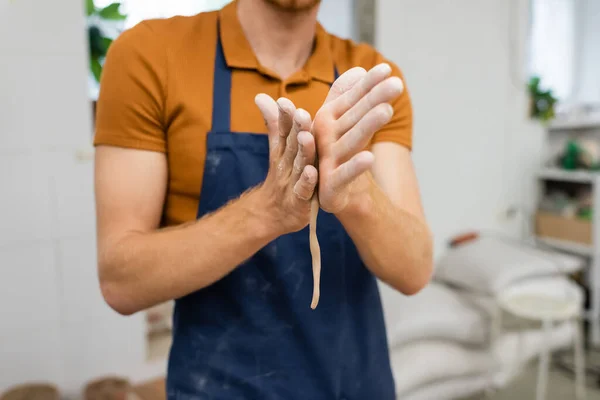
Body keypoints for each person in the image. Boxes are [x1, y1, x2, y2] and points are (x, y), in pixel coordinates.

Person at [93, 0, 433, 398]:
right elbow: (121, 281)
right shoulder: (150, 56)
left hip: (353, 386)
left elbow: (415, 270)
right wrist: (268, 210)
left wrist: (358, 195)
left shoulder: (368, 80)